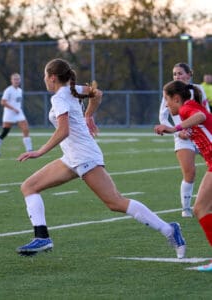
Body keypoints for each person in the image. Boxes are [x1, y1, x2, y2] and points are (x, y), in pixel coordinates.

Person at [16, 58, 186, 259]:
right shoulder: (71, 89)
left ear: (52, 78)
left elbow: (63, 130)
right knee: (29, 186)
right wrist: (88, 116)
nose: (44, 80)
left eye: (45, 76)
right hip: (72, 157)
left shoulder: (59, 98)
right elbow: (97, 93)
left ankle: (169, 230)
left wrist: (39, 151)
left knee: (115, 202)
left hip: (84, 155)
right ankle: (42, 237)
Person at [155, 80, 212, 272]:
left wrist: (174, 128)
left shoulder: (187, 109)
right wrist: (186, 133)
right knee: (201, 208)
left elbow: (200, 115)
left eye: (167, 100)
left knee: (201, 208)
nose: (166, 105)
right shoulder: (188, 107)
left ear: (176, 98)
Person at [159, 62, 210, 218]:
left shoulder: (193, 97)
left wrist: (176, 128)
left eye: (180, 73)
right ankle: (186, 209)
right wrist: (178, 132)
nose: (177, 76)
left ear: (189, 74)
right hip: (184, 138)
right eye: (174, 74)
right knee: (190, 173)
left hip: (197, 135)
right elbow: (163, 116)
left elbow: (202, 115)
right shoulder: (172, 93)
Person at [0, 73, 32, 156]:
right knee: (5, 132)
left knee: (26, 129)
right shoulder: (8, 90)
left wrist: (17, 109)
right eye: (15, 79)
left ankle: (29, 150)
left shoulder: (20, 90)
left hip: (19, 113)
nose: (16, 81)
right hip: (9, 114)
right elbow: (3, 102)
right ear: (11, 80)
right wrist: (13, 109)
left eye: (18, 79)